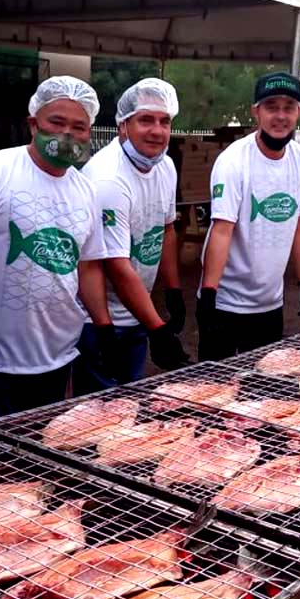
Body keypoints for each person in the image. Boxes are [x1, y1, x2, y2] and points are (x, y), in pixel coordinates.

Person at [0, 76, 112, 422]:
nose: (67, 134)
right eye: (56, 122)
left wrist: (103, 326)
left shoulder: (86, 190)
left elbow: (88, 265)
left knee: (42, 440)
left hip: (59, 351)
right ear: (33, 124)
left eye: (79, 127)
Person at [72, 78, 190, 396]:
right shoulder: (109, 179)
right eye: (146, 120)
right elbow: (115, 265)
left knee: (130, 402)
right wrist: (158, 329)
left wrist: (173, 291)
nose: (157, 131)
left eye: (164, 121)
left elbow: (166, 230)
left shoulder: (165, 166)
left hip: (136, 312)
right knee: (98, 410)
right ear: (123, 126)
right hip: (98, 320)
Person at [196, 72, 300, 362]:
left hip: (269, 304)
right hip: (226, 302)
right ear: (256, 112)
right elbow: (222, 230)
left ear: (299, 112)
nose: (280, 116)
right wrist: (209, 294)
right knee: (215, 385)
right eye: (271, 107)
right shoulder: (233, 160)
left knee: (261, 385)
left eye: (288, 107)